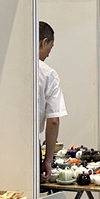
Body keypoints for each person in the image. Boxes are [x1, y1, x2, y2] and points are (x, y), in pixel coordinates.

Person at [37, 21, 67, 182]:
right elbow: (53, 120)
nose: (48, 54)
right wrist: (48, 160)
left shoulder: (7, 68)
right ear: (44, 42)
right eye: (50, 47)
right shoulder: (48, 74)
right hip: (28, 146)